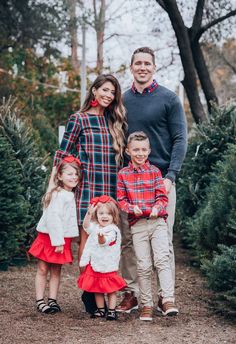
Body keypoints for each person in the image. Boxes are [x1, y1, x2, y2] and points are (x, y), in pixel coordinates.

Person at [47, 74, 127, 312]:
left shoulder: (115, 122)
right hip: (88, 188)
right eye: (104, 90)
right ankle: (90, 292)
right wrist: (52, 186)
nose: (108, 95)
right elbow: (62, 153)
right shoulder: (78, 119)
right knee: (88, 239)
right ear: (94, 91)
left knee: (109, 241)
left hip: (110, 190)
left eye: (112, 92)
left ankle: (105, 288)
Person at [117, 47, 187, 313]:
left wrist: (171, 176)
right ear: (132, 67)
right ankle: (132, 293)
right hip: (130, 184)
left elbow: (181, 139)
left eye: (147, 63)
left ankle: (164, 296)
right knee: (128, 240)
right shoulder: (122, 101)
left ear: (154, 67)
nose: (142, 67)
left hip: (161, 183)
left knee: (163, 241)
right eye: (138, 63)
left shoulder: (168, 99)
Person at [117, 132, 178, 321]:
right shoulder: (123, 175)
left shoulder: (155, 172)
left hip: (157, 222)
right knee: (143, 265)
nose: (140, 153)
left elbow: (162, 196)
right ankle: (146, 304)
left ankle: (167, 299)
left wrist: (157, 207)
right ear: (128, 151)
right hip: (138, 226)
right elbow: (121, 199)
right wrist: (130, 208)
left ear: (149, 151)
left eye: (144, 149)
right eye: (136, 149)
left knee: (162, 260)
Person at [29, 156, 82, 314]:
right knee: (43, 269)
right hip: (50, 238)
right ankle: (40, 301)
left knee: (57, 270)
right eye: (69, 174)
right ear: (59, 176)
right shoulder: (57, 194)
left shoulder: (71, 194)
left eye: (76, 174)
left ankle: (52, 300)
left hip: (62, 239)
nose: (73, 177)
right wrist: (58, 241)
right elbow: (54, 219)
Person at [78, 195, 127, 321]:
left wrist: (101, 238)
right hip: (95, 263)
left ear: (114, 216)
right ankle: (101, 310)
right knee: (97, 288)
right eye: (101, 213)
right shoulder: (96, 226)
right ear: (97, 215)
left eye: (108, 214)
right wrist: (89, 214)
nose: (104, 216)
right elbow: (86, 227)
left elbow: (105, 241)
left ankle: (111, 310)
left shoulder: (113, 230)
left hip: (107, 264)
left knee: (111, 289)